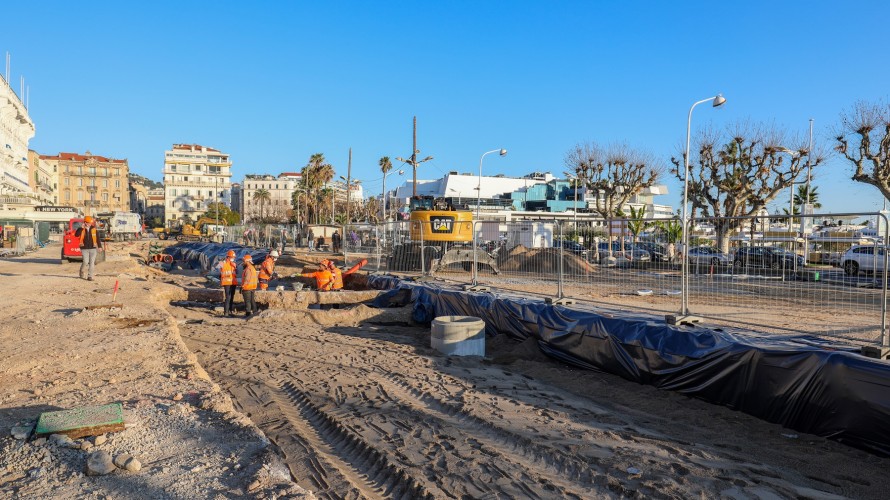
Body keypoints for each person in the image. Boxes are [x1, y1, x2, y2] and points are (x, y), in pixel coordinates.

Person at [75, 215, 103, 281]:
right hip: (84, 248)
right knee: (85, 261)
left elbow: (97, 238)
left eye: (90, 223)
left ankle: (90, 276)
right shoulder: (81, 229)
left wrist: (99, 246)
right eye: (88, 223)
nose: (89, 224)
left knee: (92, 262)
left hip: (93, 248)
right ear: (85, 222)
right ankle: (81, 271)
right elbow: (76, 235)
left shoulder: (94, 229)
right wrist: (81, 228)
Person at [218, 250, 239, 317]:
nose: (233, 258)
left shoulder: (234, 264)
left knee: (231, 297)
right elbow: (217, 268)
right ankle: (226, 312)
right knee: (228, 297)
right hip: (227, 283)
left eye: (233, 257)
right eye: (232, 257)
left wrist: (235, 266)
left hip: (233, 282)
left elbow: (237, 272)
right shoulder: (222, 263)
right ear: (228, 257)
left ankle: (230, 311)